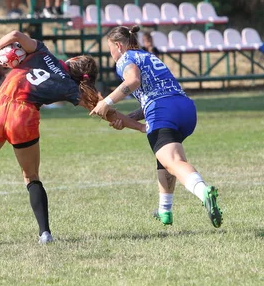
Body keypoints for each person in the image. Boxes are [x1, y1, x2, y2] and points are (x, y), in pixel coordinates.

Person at [0, 30, 143, 244]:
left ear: (72, 61)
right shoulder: (72, 88)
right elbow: (108, 112)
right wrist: (140, 127)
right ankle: (45, 233)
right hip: (22, 115)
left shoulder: (43, 52)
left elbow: (14, 34)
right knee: (31, 176)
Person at [90, 25, 223, 228]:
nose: (111, 54)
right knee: (165, 157)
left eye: (110, 49)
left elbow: (133, 81)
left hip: (163, 109)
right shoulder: (148, 56)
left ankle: (203, 192)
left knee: (173, 160)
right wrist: (129, 118)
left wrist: (106, 102)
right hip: (185, 108)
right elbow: (155, 94)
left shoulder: (125, 59)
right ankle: (164, 210)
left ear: (118, 45)